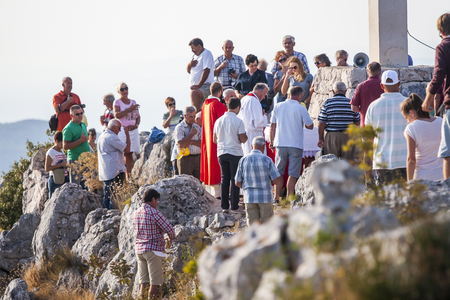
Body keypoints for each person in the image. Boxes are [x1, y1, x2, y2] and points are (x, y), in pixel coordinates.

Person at [270, 86, 313, 202]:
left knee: (278, 172)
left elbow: (272, 126)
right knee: (293, 174)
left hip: (280, 143)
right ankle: (289, 200)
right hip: (295, 144)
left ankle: (276, 198)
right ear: (299, 96)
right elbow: (310, 125)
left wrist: (272, 141)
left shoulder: (278, 106)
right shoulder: (300, 108)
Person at [365, 70, 408, 185]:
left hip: (381, 162)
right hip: (405, 161)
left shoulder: (373, 107)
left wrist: (367, 170)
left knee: (384, 201)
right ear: (399, 84)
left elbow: (368, 139)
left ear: (381, 86)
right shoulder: (408, 104)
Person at [132, 188, 175, 300]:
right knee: (155, 283)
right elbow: (170, 229)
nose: (157, 203)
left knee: (144, 283)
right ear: (153, 199)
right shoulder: (154, 212)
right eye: (157, 200)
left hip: (139, 251)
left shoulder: (135, 213)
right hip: (153, 251)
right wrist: (170, 240)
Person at [422, 13, 450, 179]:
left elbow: (438, 75)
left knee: (448, 153)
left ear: (440, 30)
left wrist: (428, 99)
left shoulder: (443, 47)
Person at [235, 136, 281, 226]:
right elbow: (276, 181)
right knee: (267, 226)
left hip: (249, 197)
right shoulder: (267, 160)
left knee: (253, 228)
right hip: (265, 197)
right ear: (264, 147)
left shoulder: (243, 160)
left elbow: (237, 182)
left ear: (252, 146)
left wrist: (246, 188)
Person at [213, 97, 248, 213]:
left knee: (224, 179)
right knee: (235, 179)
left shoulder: (219, 120)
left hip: (222, 152)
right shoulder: (238, 121)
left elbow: (214, 139)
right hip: (235, 152)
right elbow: (243, 139)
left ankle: (224, 207)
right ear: (237, 107)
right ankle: (234, 206)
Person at [401, 94, 443, 181]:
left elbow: (411, 159)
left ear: (412, 113)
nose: (408, 121)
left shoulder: (411, 128)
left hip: (423, 178)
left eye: (406, 117)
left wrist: (409, 183)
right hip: (443, 176)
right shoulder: (441, 121)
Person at [317, 82, 361, 161]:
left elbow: (321, 123)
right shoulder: (351, 103)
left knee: (331, 164)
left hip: (332, 137)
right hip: (348, 136)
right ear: (345, 91)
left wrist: (321, 138)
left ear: (333, 91)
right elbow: (358, 122)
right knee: (347, 164)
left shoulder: (327, 103)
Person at [201, 82, 227, 197]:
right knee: (217, 167)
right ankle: (218, 194)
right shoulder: (218, 105)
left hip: (207, 141)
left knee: (208, 163)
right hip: (217, 142)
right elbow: (225, 124)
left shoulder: (204, 105)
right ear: (220, 91)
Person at [98, 119, 130, 209]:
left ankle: (104, 217)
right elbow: (126, 149)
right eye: (119, 128)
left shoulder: (102, 136)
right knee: (115, 198)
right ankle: (113, 217)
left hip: (105, 172)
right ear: (114, 127)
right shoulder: (112, 137)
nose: (120, 131)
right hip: (115, 171)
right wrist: (127, 134)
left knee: (106, 197)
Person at [113, 82, 140, 176]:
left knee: (130, 153)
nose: (125, 91)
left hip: (133, 131)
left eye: (126, 88)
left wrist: (136, 125)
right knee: (122, 153)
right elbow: (116, 115)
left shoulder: (133, 102)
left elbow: (138, 116)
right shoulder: (117, 102)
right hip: (122, 131)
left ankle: (129, 175)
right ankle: (120, 175)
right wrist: (129, 109)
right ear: (118, 91)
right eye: (122, 89)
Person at [237, 83, 269, 155]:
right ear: (259, 92)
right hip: (254, 136)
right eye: (264, 95)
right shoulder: (254, 101)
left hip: (244, 134)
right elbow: (258, 122)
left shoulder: (243, 99)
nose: (264, 98)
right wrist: (265, 116)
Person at [350, 62, 384, 127]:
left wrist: (363, 109)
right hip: (381, 125)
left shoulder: (361, 86)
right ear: (380, 71)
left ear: (368, 72)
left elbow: (354, 107)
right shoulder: (384, 85)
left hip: (366, 125)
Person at [63, 105, 90, 185]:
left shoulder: (83, 124)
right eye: (77, 114)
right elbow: (65, 146)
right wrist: (80, 141)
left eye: (81, 113)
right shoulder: (68, 128)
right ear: (71, 116)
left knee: (93, 183)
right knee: (75, 186)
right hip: (75, 159)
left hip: (86, 158)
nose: (80, 116)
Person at [187, 38, 215, 112]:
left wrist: (198, 85)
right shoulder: (193, 56)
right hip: (198, 87)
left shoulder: (206, 53)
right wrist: (189, 65)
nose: (192, 50)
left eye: (193, 48)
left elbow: (206, 70)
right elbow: (189, 71)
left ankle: (195, 117)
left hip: (205, 85)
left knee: (194, 93)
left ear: (199, 46)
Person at [174, 106, 202, 179]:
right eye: (191, 117)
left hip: (198, 158)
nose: (193, 119)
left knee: (199, 184)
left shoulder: (197, 127)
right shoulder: (180, 128)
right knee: (185, 184)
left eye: (194, 116)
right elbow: (181, 144)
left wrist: (190, 142)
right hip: (185, 159)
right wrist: (191, 134)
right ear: (185, 116)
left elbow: (202, 144)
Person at [162, 97, 184, 176]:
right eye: (170, 104)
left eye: (174, 103)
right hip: (170, 135)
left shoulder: (180, 112)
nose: (173, 106)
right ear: (167, 106)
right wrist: (170, 115)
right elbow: (164, 125)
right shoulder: (166, 115)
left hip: (178, 133)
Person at [45, 132, 69, 198]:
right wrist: (61, 164)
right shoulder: (51, 152)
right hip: (55, 180)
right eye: (61, 143)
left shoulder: (62, 150)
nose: (62, 145)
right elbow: (47, 168)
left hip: (63, 178)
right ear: (56, 141)